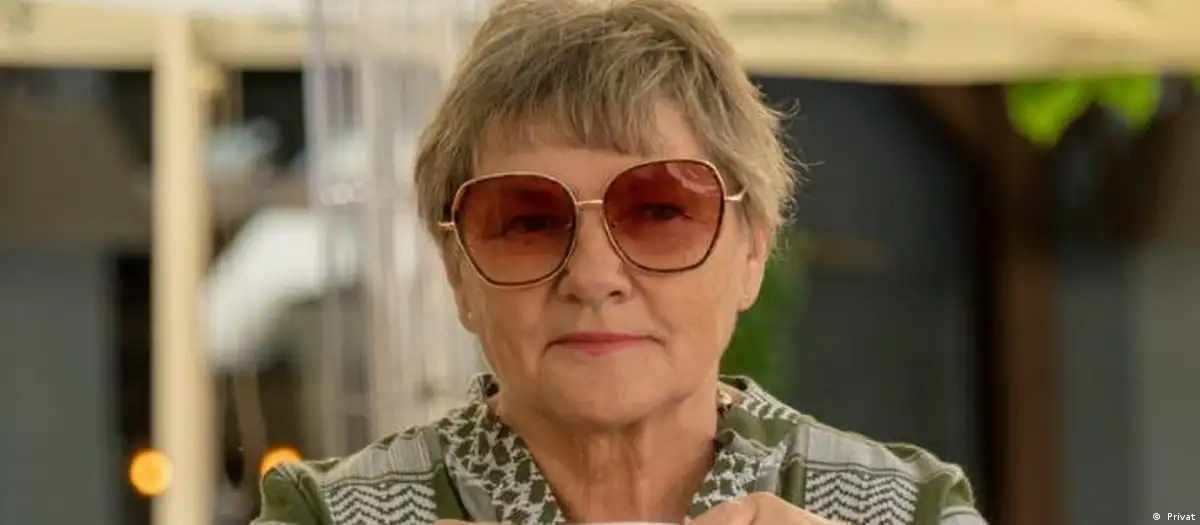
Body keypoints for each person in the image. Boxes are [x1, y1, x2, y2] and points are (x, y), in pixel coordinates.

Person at [254, 0, 986, 523]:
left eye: (661, 210)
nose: (594, 275)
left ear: (752, 250)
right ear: (457, 270)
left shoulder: (906, 509)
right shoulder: (330, 513)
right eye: (528, 221)